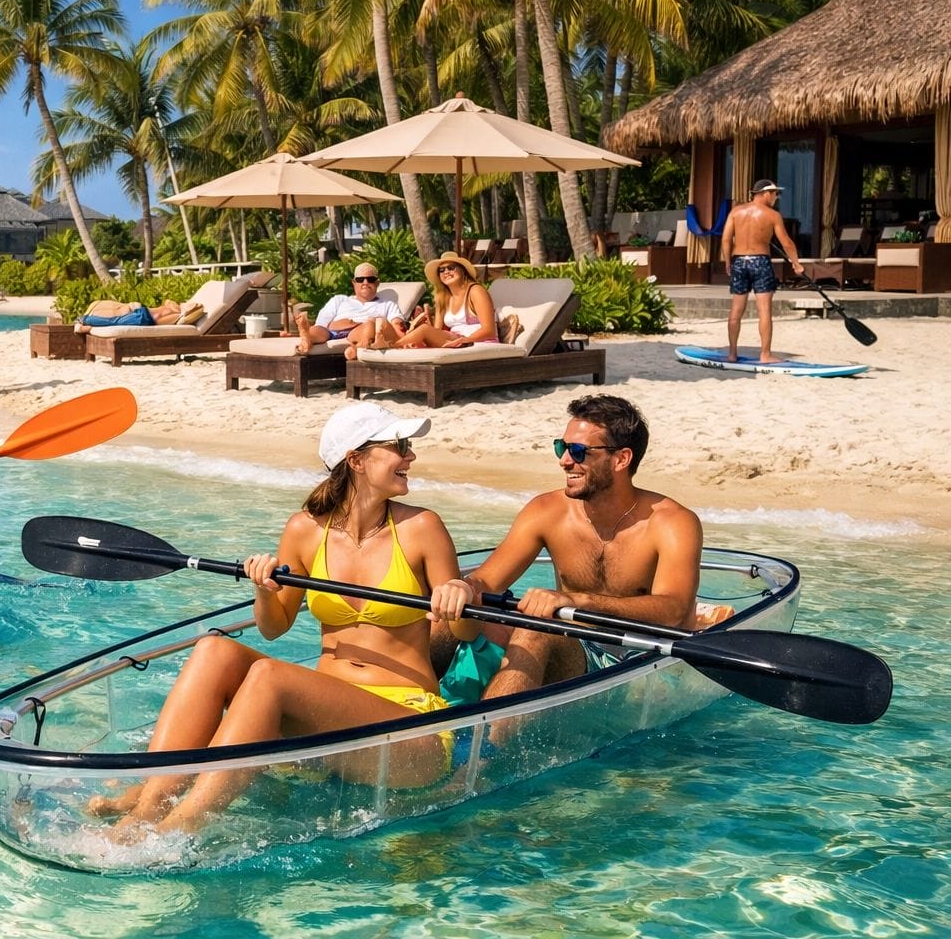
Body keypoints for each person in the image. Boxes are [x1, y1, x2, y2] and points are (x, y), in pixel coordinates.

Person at [90, 402, 478, 836]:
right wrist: (263, 588)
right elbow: (274, 628)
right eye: (399, 447)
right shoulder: (304, 530)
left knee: (270, 677)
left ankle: (181, 826)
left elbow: (465, 630)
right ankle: (147, 803)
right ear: (357, 460)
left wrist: (457, 594)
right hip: (322, 723)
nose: (411, 457)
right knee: (213, 648)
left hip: (409, 730)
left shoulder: (423, 527)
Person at [430, 395, 703, 708]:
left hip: (629, 657)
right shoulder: (547, 510)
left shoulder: (672, 522)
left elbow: (674, 610)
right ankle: (412, 708)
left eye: (578, 452)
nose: (564, 461)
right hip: (571, 644)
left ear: (621, 459)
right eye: (561, 447)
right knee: (456, 611)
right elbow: (488, 581)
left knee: (536, 630)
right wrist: (463, 587)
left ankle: (490, 748)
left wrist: (576, 600)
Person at [720, 179, 805, 363]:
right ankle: (765, 354)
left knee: (736, 310)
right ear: (766, 193)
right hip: (760, 261)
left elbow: (726, 240)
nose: (776, 197)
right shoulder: (772, 215)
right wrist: (796, 264)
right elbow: (787, 242)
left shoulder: (736, 212)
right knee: (764, 310)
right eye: (775, 193)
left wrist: (728, 262)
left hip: (739, 261)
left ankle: (732, 354)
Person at [292, 262, 407, 359]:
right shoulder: (340, 300)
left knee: (369, 326)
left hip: (359, 332)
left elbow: (398, 328)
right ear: (354, 283)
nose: (365, 283)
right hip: (331, 331)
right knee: (317, 329)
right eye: (360, 279)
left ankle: (357, 347)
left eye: (370, 279)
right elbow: (322, 323)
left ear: (377, 283)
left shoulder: (388, 304)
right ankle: (306, 338)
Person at [394, 252, 499, 349]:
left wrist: (465, 339)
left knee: (424, 330)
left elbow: (489, 330)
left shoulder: (475, 291)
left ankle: (393, 347)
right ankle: (394, 346)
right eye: (442, 270)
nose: (446, 272)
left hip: (478, 342)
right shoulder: (442, 298)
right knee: (420, 337)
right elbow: (437, 331)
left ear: (463, 270)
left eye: (451, 267)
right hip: (455, 341)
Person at [71, 298, 195, 332]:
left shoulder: (175, 310)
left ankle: (84, 320)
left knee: (115, 320)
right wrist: (184, 311)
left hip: (144, 315)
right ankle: (84, 320)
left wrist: (184, 313)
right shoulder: (175, 309)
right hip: (144, 317)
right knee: (115, 321)